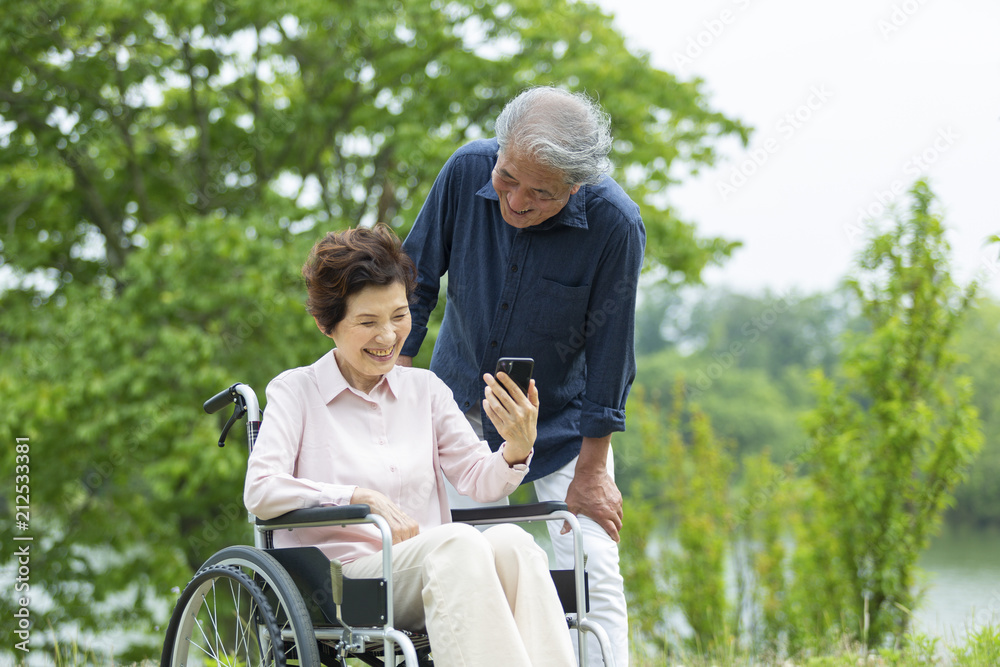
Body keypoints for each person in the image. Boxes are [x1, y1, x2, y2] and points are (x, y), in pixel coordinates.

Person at [244, 224, 576, 667]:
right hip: (344, 580)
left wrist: (516, 448)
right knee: (458, 544)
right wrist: (358, 498)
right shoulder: (296, 391)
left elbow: (480, 480)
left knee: (514, 543)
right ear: (328, 325)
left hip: (436, 564)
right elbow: (261, 491)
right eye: (367, 322)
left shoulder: (426, 390)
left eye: (399, 316)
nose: (388, 337)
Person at [400, 86, 645, 666]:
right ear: (501, 149)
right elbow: (415, 285)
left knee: (592, 568)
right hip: (460, 413)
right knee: (462, 564)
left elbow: (613, 351)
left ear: (576, 186)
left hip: (563, 427)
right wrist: (395, 393)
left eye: (541, 193)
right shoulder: (466, 171)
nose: (515, 201)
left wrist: (592, 470)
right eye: (509, 178)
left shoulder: (615, 225)